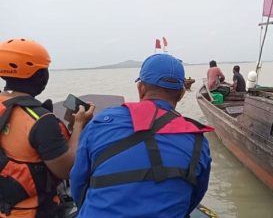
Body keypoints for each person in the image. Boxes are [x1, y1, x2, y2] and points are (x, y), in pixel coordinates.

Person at [70, 53, 213, 218]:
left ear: (140, 88)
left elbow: (78, 182)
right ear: (181, 94)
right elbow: (194, 197)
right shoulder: (197, 140)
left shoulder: (101, 122)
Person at [0, 38, 94, 218]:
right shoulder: (40, 120)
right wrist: (79, 125)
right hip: (33, 212)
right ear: (40, 75)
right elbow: (67, 170)